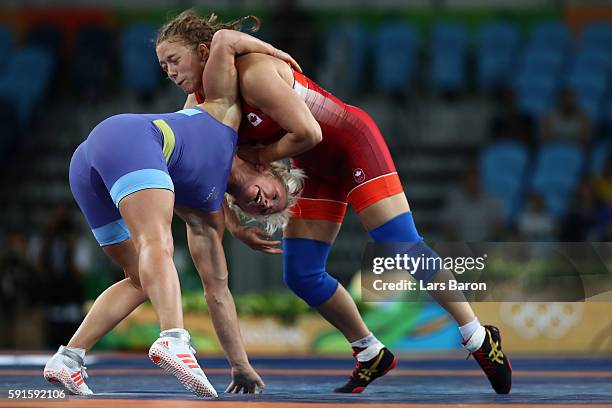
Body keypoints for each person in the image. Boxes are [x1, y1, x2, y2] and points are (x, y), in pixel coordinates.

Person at [157, 10, 512, 394]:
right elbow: (208, 166)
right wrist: (236, 223)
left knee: (401, 244)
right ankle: (369, 351)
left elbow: (309, 132)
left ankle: (477, 336)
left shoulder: (254, 74)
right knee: (302, 274)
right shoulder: (198, 106)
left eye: (174, 60)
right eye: (163, 67)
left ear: (203, 51)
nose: (171, 73)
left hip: (351, 145)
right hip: (312, 169)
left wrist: (259, 157)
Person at [43, 29, 302, 398]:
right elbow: (227, 39)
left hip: (88, 166)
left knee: (139, 278)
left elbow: (218, 294)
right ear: (271, 168)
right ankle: (173, 338)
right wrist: (279, 53)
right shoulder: (224, 109)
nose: (262, 204)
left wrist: (240, 364)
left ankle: (68, 358)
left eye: (260, 211)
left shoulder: (206, 214)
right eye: (274, 196)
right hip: (130, 138)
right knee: (156, 242)